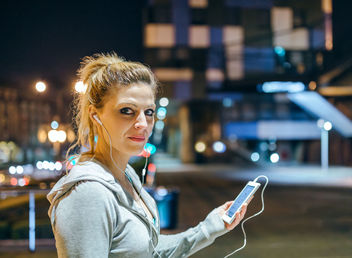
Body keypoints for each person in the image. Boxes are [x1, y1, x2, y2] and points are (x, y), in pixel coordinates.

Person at [47, 53, 249, 258]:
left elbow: (149, 251)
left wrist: (209, 227)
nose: (142, 124)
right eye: (127, 110)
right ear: (95, 115)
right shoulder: (87, 194)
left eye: (149, 112)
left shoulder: (126, 176)